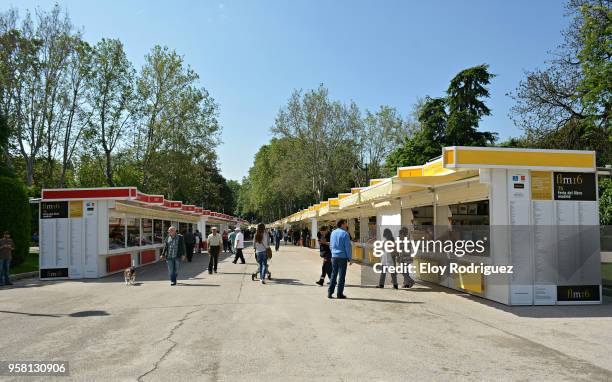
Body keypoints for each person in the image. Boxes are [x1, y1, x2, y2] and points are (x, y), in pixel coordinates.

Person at [328, 219, 352, 299]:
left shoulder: (333, 233)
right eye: (345, 223)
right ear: (342, 224)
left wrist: (333, 253)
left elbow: (331, 245)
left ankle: (330, 293)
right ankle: (339, 294)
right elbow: (347, 247)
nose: (346, 225)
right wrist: (350, 258)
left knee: (333, 274)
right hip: (342, 257)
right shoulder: (345, 233)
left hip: (334, 256)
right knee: (341, 276)